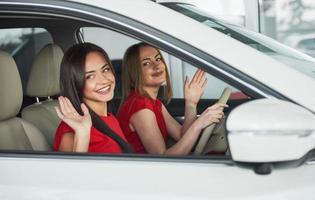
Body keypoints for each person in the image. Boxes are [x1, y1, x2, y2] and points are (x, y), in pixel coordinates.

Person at [117, 42, 226, 155]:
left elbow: (181, 136)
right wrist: (198, 124)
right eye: (146, 63)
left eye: (158, 59)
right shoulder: (140, 107)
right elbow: (162, 159)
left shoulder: (155, 103)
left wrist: (191, 103)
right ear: (134, 72)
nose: (156, 65)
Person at [53, 43, 131, 153]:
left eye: (105, 69)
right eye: (90, 76)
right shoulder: (71, 131)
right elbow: (70, 170)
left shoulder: (109, 118)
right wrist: (82, 134)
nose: (104, 80)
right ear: (76, 84)